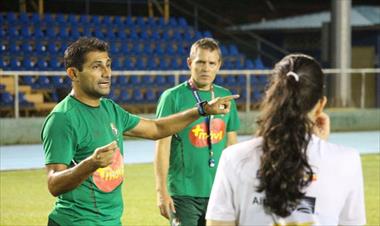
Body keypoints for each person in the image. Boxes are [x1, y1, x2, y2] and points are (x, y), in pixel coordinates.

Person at [41, 37, 238, 226]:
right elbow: (54, 184)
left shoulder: (110, 109)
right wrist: (90, 164)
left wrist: (202, 109)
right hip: (75, 222)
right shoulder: (63, 118)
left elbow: (156, 128)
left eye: (108, 65)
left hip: (110, 221)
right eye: (96, 66)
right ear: (73, 73)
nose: (107, 73)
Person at [206, 54, 366, 226]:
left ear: (271, 98)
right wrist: (319, 146)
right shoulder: (347, 160)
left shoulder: (234, 158)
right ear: (320, 105)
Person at [154, 38, 240, 226]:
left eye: (211, 63)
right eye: (200, 62)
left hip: (219, 191)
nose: (206, 68)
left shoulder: (225, 97)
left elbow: (232, 147)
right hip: (183, 194)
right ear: (190, 63)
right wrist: (161, 192)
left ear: (219, 65)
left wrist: (237, 187)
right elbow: (162, 146)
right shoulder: (172, 97)